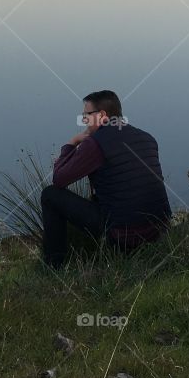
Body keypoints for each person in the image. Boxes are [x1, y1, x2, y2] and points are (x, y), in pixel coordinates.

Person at [40, 89, 171, 270]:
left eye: (87, 114)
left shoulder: (95, 143)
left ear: (102, 115)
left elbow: (59, 179)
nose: (84, 119)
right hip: (159, 232)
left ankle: (54, 266)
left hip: (124, 237)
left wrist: (72, 143)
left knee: (50, 195)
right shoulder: (147, 138)